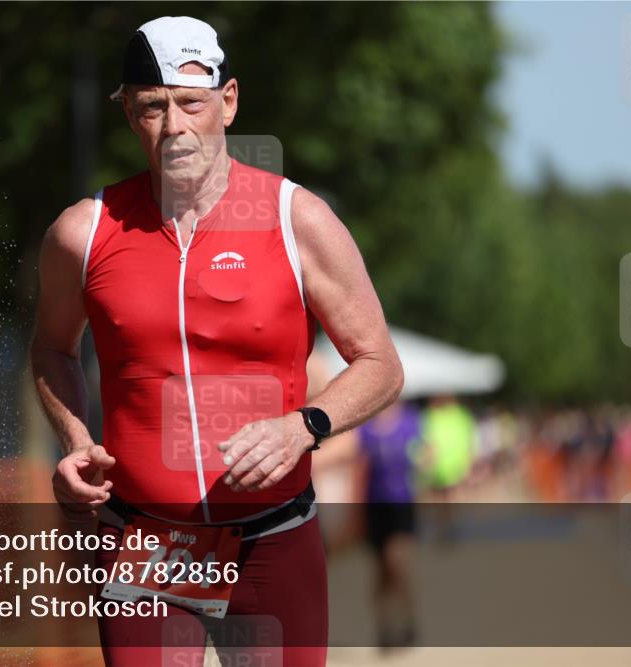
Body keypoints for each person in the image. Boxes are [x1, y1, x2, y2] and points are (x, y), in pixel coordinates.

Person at [31, 16, 403, 666]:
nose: (174, 126)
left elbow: (381, 364)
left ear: (228, 102)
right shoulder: (82, 232)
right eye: (152, 106)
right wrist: (77, 442)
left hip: (271, 540)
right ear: (127, 112)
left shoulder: (299, 219)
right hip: (145, 539)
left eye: (190, 102)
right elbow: (52, 347)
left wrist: (304, 425)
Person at [357, 401, 420, 649]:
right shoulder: (366, 427)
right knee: (380, 571)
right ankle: (384, 627)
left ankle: (407, 620)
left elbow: (424, 452)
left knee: (398, 563)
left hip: (402, 504)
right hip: (374, 506)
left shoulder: (409, 422)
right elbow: (357, 464)